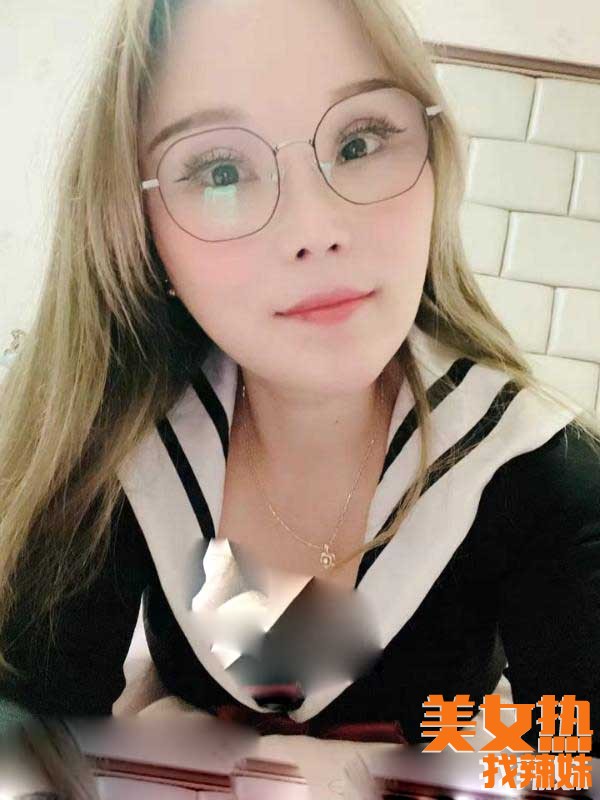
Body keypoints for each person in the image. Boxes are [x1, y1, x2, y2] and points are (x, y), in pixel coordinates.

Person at [0, 0, 599, 754]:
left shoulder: (536, 475)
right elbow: (27, 725)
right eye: (221, 170)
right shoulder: (119, 444)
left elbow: (573, 761)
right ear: (137, 230)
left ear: (437, 162)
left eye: (359, 141)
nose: (316, 230)